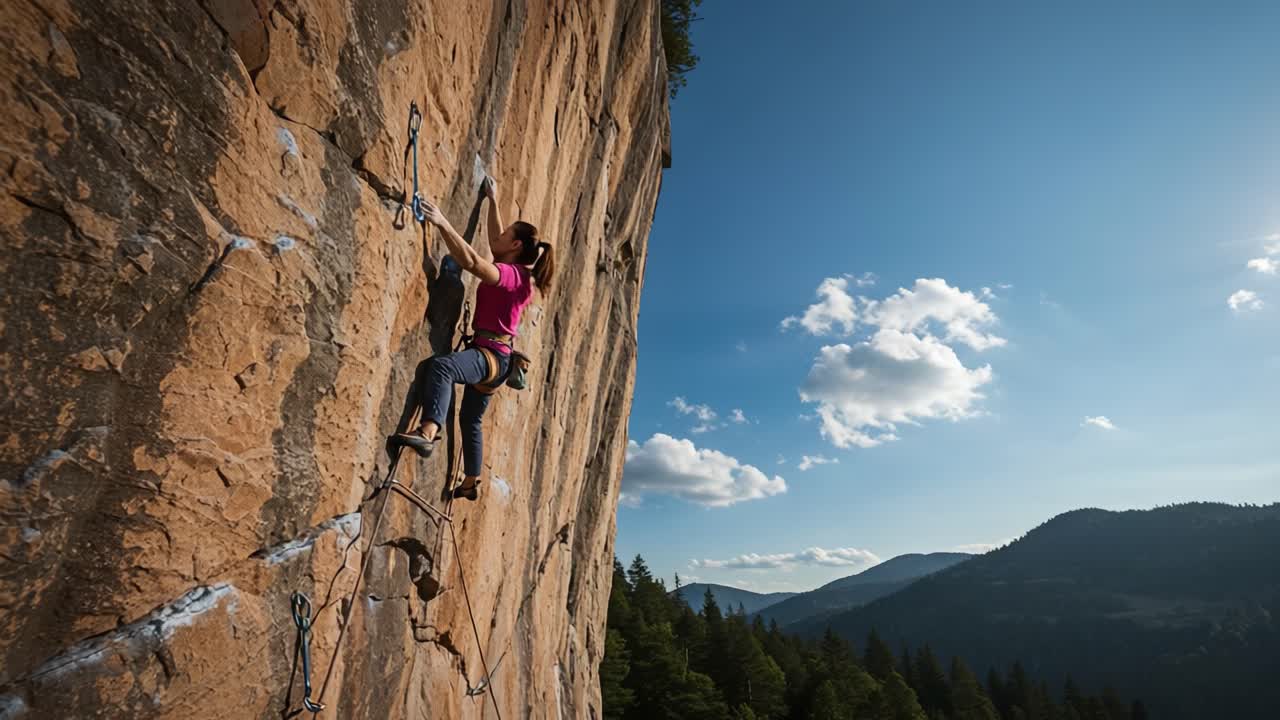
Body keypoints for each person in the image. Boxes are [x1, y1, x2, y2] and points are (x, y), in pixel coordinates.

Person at [390, 179, 554, 500]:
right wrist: (492, 201)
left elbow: (473, 263)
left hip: (489, 355)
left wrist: (441, 222)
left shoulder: (511, 275)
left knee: (442, 368)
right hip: (498, 358)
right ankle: (470, 482)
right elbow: (495, 239)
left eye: (508, 236)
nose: (499, 236)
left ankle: (428, 431)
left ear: (517, 246)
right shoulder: (518, 271)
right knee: (470, 419)